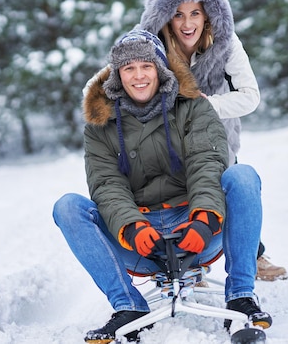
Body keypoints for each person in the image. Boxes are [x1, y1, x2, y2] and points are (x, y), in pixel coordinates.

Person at [53, 29, 272, 343]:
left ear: (161, 68)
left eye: (146, 66)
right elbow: (106, 184)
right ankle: (128, 306)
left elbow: (205, 164)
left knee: (243, 176)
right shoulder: (100, 125)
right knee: (68, 207)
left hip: (197, 229)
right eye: (129, 68)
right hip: (139, 239)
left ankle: (241, 295)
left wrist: (205, 219)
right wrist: (132, 227)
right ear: (117, 75)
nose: (139, 76)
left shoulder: (194, 107)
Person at [139, 0, 287, 281]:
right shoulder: (154, 48)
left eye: (195, 13)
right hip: (168, 138)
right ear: (166, 16)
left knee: (231, 188)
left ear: (207, 13)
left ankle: (252, 256)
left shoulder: (226, 41)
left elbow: (250, 96)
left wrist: (208, 105)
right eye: (178, 14)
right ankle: (183, 260)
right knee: (173, 193)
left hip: (218, 136)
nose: (187, 22)